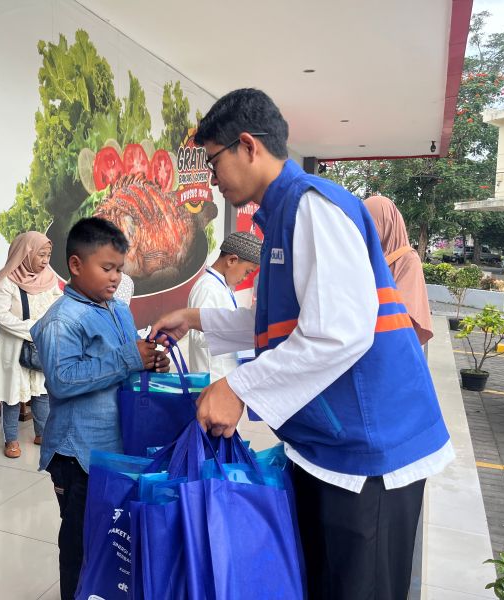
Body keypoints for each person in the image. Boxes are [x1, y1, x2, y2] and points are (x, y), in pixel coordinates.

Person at [150, 89, 454, 600]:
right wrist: (194, 318)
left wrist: (238, 388)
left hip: (370, 453)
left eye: (214, 162)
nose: (213, 179)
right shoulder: (281, 216)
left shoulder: (312, 206)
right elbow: (278, 321)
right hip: (329, 445)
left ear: (248, 146)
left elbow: (338, 331)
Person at [30, 217, 169, 600]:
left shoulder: (118, 309)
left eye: (119, 269)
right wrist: (129, 358)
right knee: (80, 543)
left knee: (113, 536)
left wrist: (150, 361)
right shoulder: (62, 320)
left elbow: (126, 360)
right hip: (79, 456)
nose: (115, 277)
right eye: (107, 268)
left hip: (116, 447)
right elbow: (62, 380)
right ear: (76, 265)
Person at [0, 232, 62, 458]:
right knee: (12, 394)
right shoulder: (6, 280)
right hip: (14, 345)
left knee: (41, 390)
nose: (45, 260)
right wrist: (32, 330)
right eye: (41, 255)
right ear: (26, 253)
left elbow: (58, 306)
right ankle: (11, 440)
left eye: (48, 255)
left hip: (41, 345)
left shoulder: (49, 279)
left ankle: (42, 434)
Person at [187, 231, 261, 381]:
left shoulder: (224, 286)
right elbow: (199, 336)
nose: (245, 278)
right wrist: (237, 333)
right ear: (232, 260)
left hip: (224, 375)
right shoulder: (207, 288)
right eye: (247, 272)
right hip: (212, 378)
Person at [364, 195, 434, 345]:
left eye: (374, 223)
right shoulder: (367, 256)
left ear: (389, 224)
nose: (368, 230)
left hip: (390, 343)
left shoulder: (408, 259)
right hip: (364, 341)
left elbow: (402, 313)